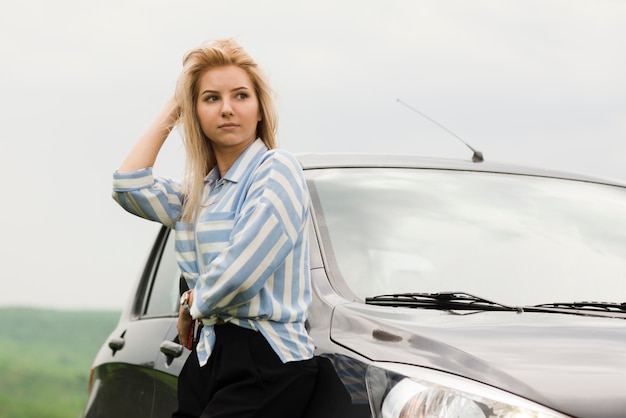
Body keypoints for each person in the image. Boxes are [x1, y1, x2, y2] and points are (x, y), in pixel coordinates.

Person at [112, 38, 318, 418]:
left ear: (259, 110)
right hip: (207, 357)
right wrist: (176, 103)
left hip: (266, 358)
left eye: (240, 96)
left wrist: (194, 304)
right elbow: (128, 186)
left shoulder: (277, 170)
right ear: (196, 113)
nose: (226, 108)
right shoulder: (198, 194)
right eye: (210, 98)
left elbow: (241, 272)